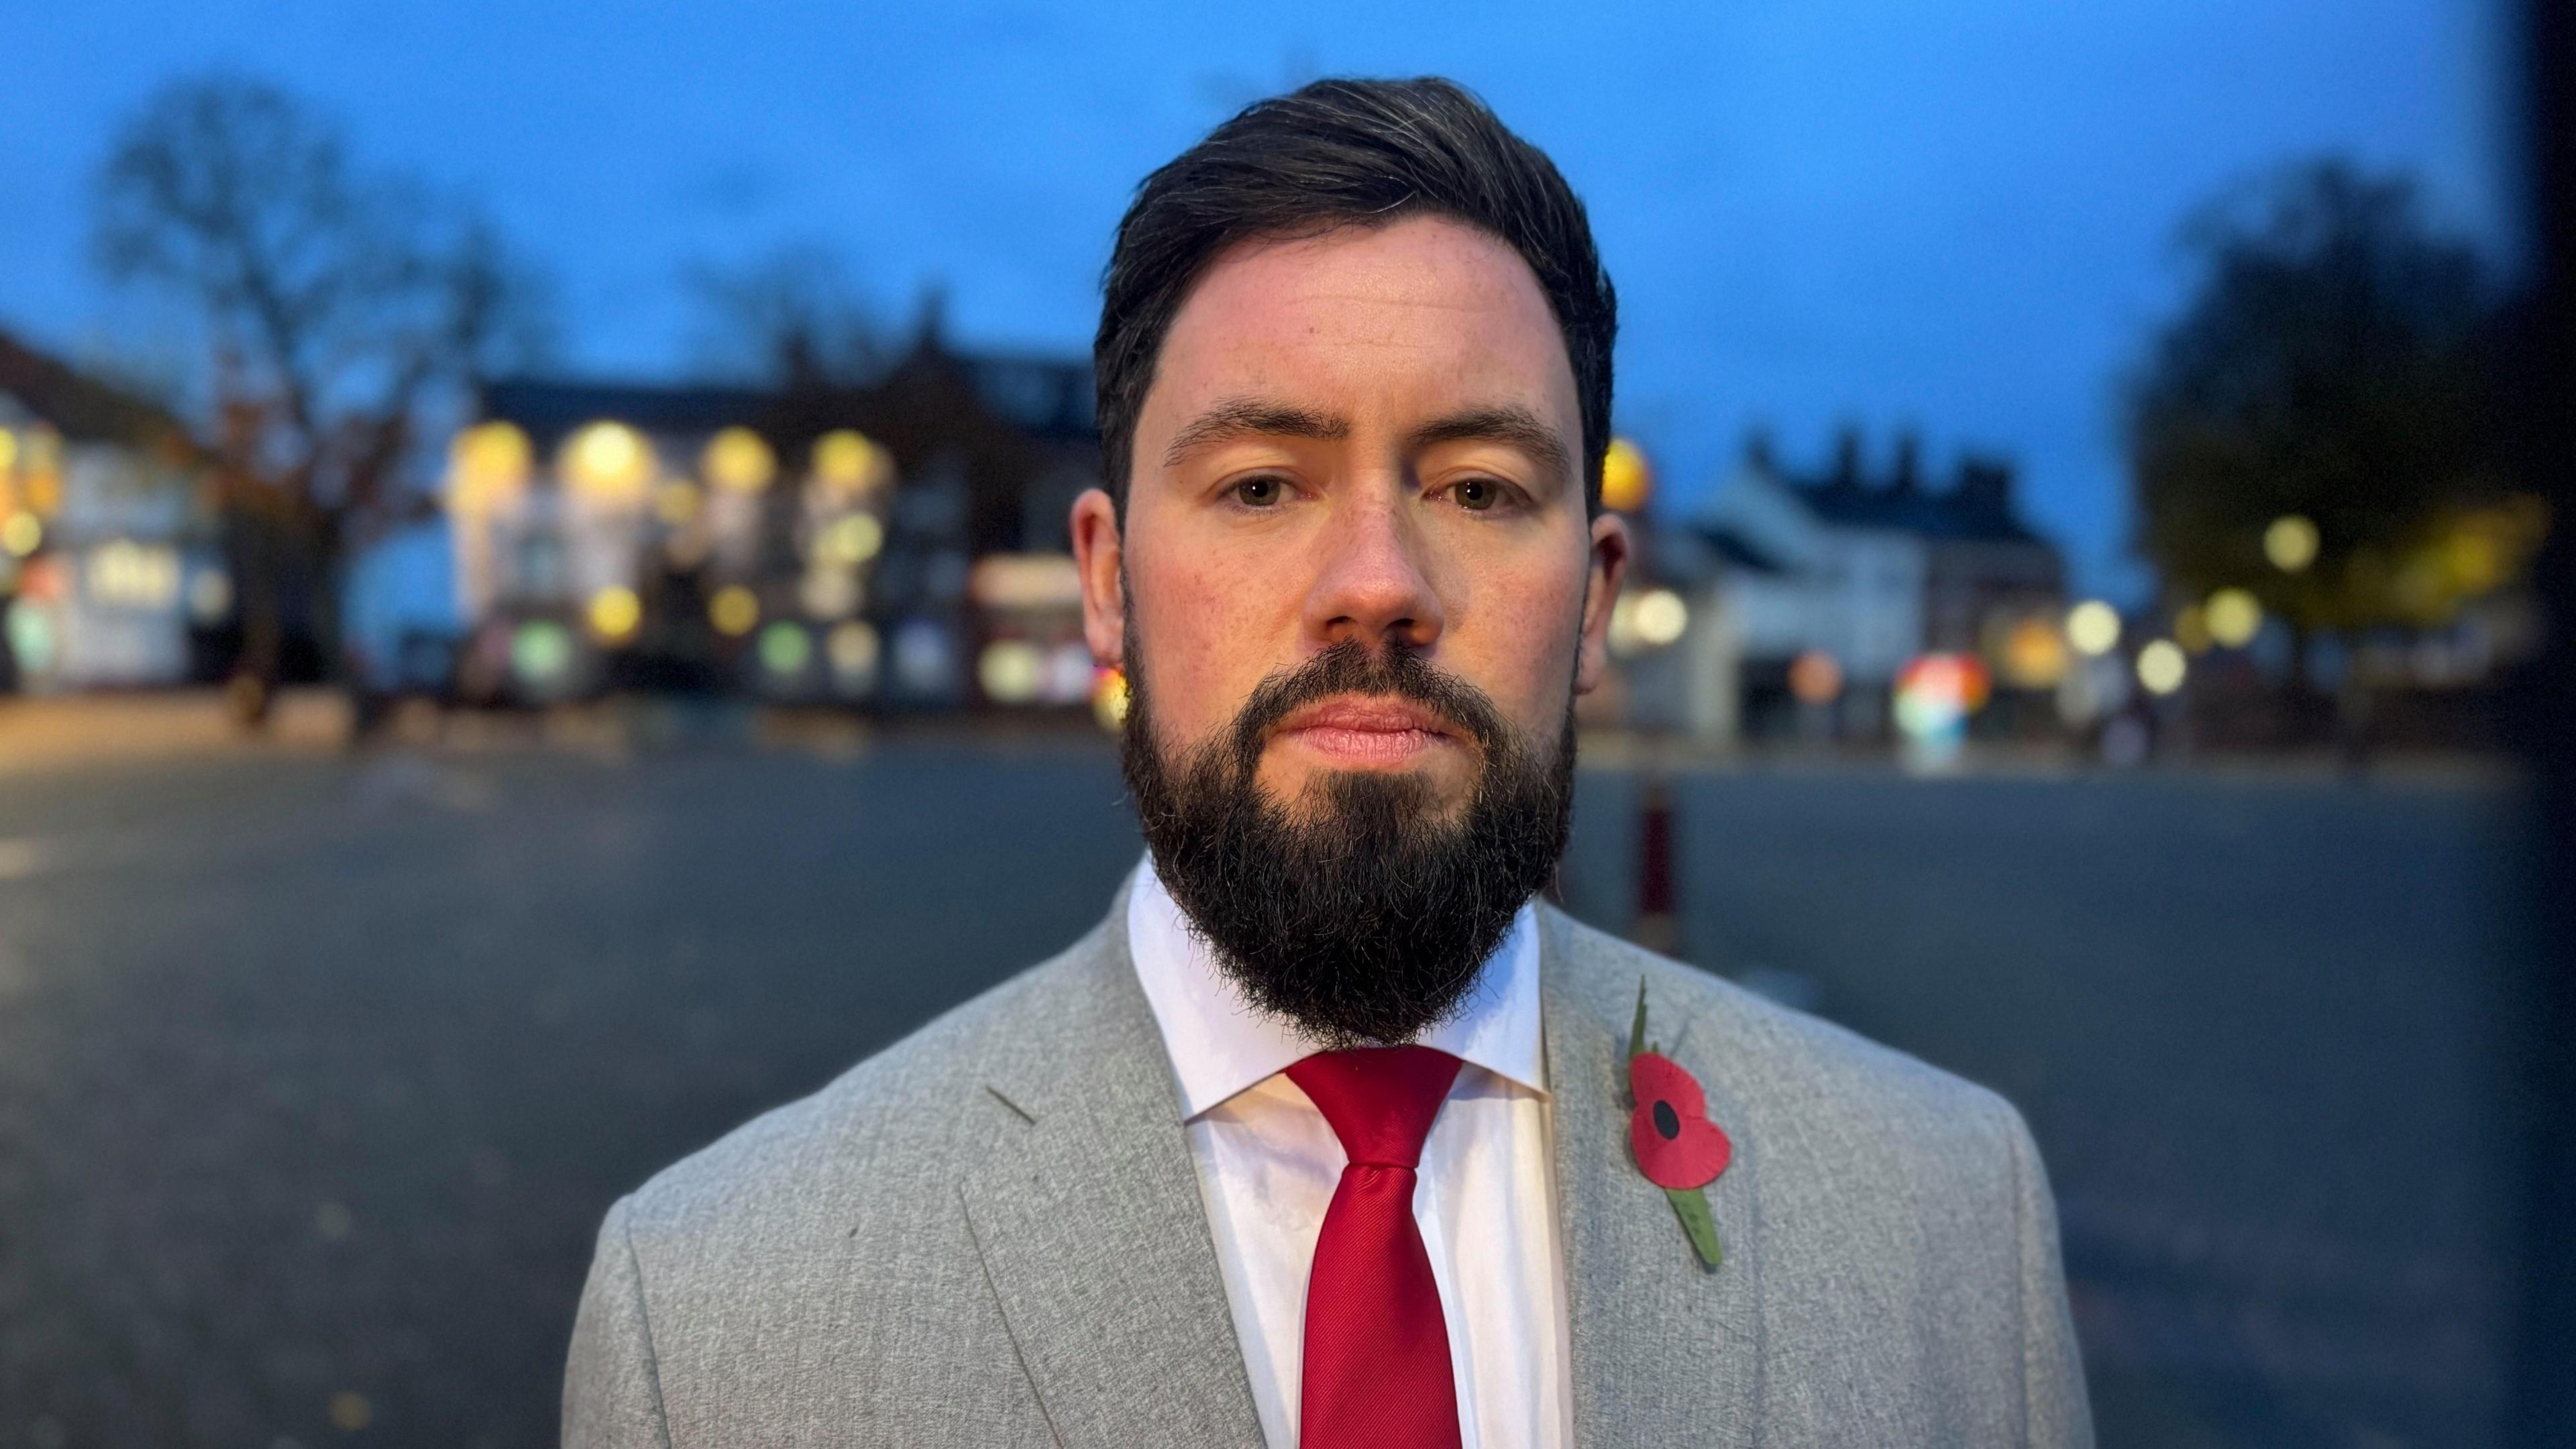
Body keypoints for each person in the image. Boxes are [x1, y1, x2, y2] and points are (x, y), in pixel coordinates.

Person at [564, 76, 2092, 1448]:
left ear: (1601, 600)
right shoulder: (711, 1324)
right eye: (1263, 483)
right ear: (1106, 580)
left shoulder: (1949, 1223)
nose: (1377, 578)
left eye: (1482, 488)